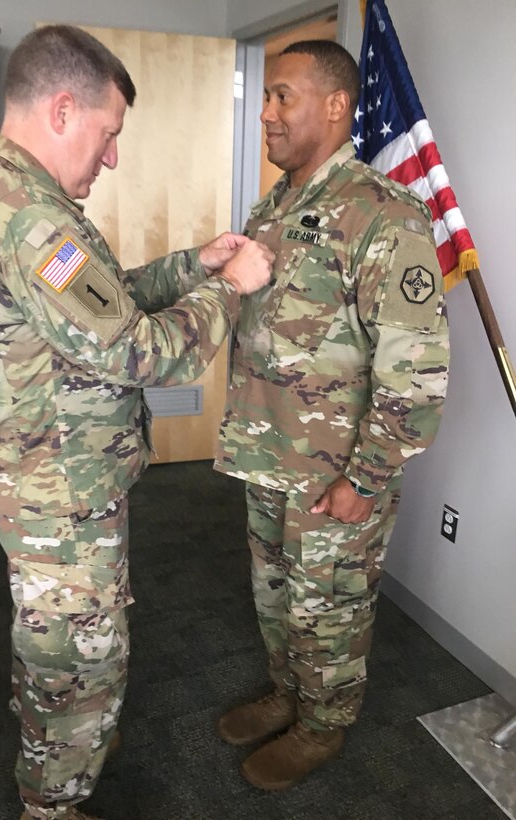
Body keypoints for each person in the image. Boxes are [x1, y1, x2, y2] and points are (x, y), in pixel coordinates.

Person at [0, 24, 273, 820]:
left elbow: (99, 300)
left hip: (44, 473)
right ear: (60, 109)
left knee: (52, 635)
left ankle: (56, 738)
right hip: (59, 486)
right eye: (108, 134)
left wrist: (196, 264)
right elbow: (138, 353)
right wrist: (236, 288)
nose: (112, 156)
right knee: (80, 654)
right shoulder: (29, 222)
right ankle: (52, 802)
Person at [214, 40, 450, 791]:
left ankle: (324, 723)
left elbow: (414, 375)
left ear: (336, 106)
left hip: (336, 473)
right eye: (268, 98)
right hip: (267, 455)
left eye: (283, 96)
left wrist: (367, 478)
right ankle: (289, 693)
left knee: (331, 608)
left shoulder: (384, 215)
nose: (268, 112)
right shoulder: (275, 205)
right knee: (275, 594)